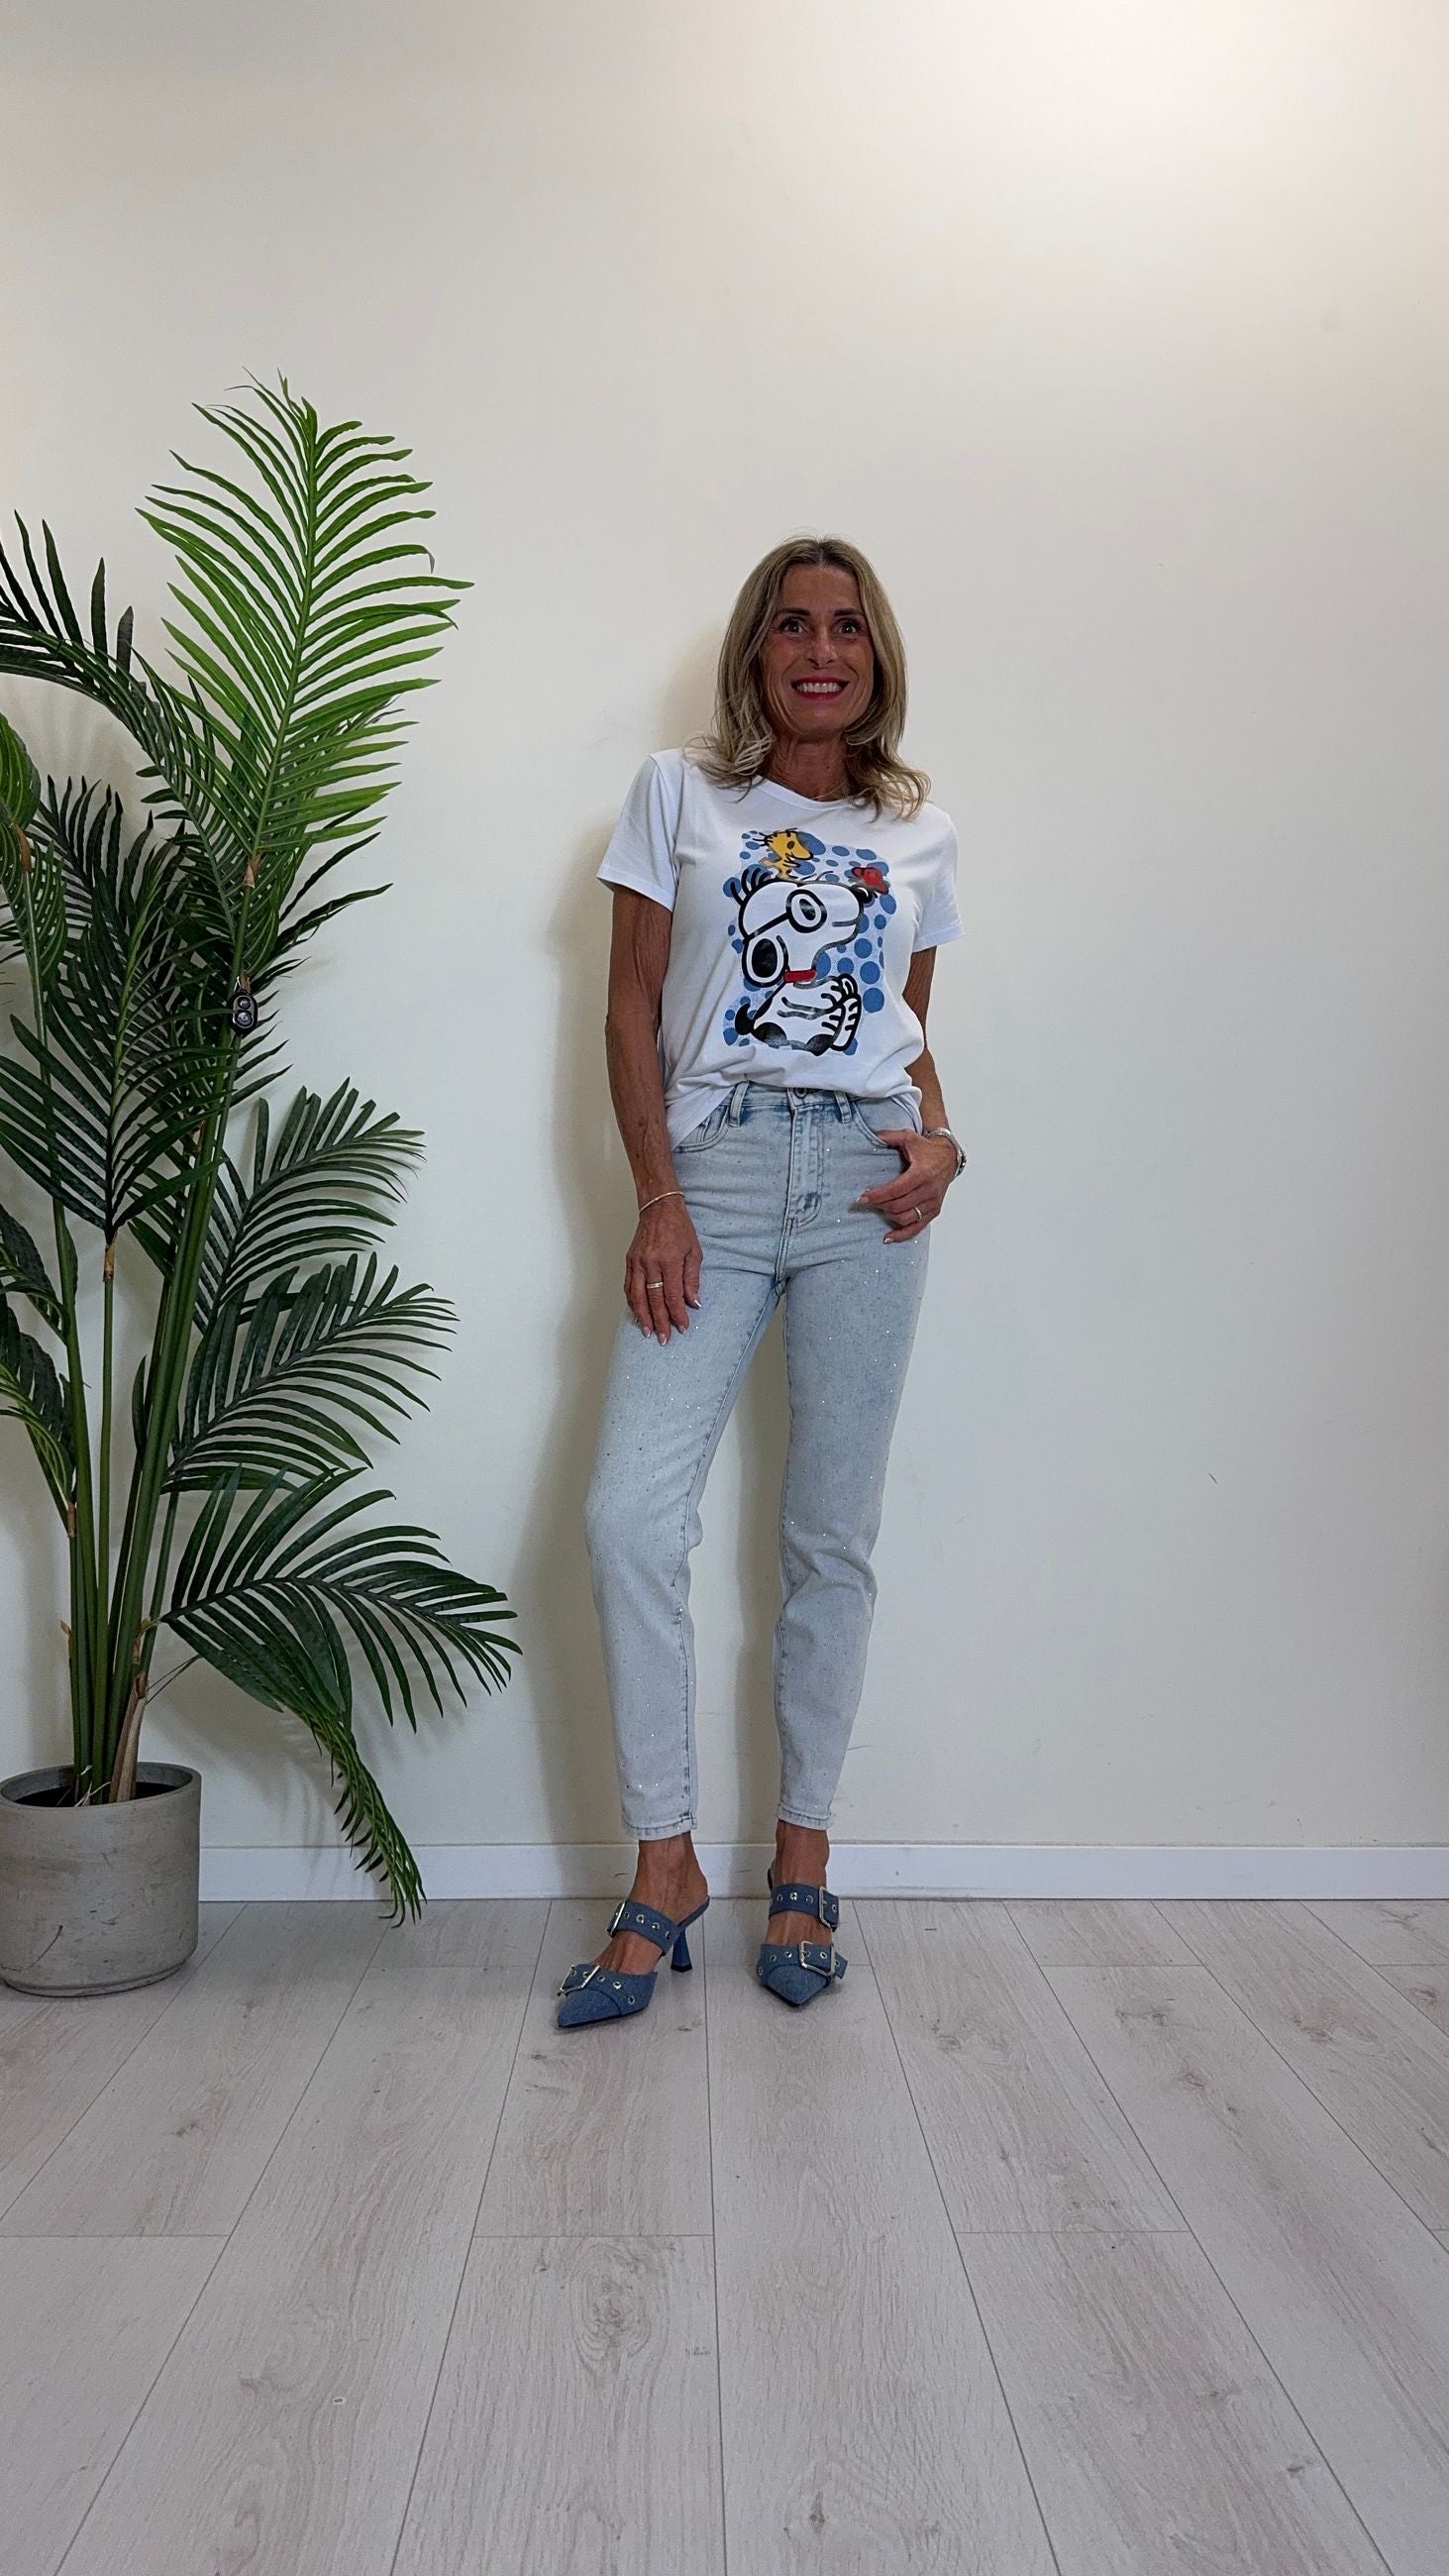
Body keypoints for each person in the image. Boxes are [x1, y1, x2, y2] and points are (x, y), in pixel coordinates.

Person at [557, 535, 966, 2029]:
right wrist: (658, 1197)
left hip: (867, 1186)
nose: (821, 649)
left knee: (829, 1538)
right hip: (716, 1174)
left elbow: (904, 1024)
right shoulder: (679, 794)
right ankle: (664, 1863)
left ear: (877, 657)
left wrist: (942, 1142)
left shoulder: (918, 835)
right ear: (754, 653)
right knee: (628, 1518)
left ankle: (804, 1859)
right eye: (793, 625)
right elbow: (628, 1006)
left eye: (847, 627)